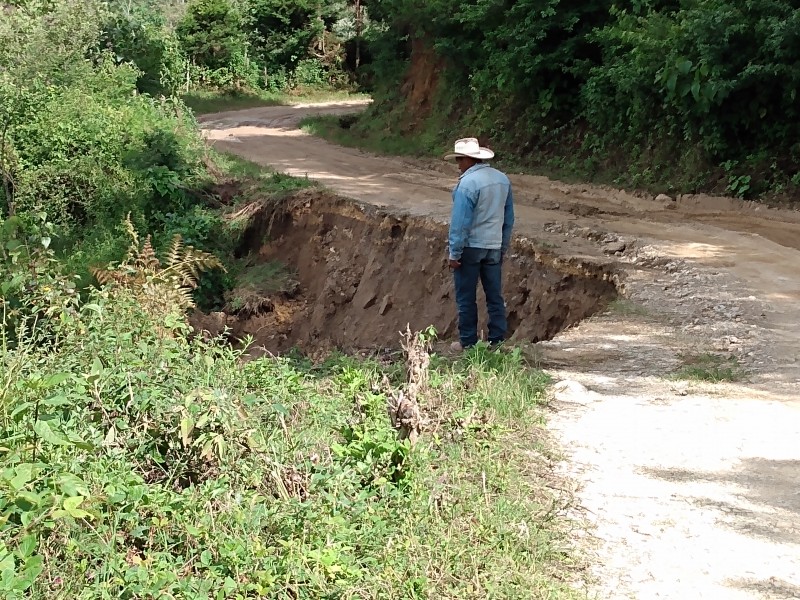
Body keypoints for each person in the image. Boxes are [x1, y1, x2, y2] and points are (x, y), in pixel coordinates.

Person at [444, 137, 514, 350]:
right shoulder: (502, 180)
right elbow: (508, 218)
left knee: (466, 297)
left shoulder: (467, 184)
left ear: (468, 159)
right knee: (494, 295)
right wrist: (502, 247)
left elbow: (460, 223)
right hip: (493, 245)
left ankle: (468, 342)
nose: (458, 165)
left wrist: (455, 252)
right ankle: (497, 340)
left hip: (471, 247)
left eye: (459, 160)